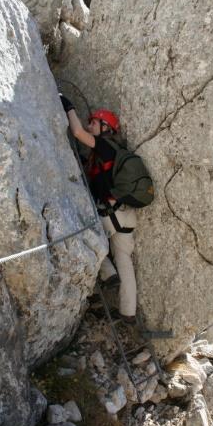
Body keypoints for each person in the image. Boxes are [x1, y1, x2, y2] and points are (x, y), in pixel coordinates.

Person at [60, 94, 137, 324]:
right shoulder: (111, 152)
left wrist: (69, 107)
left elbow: (77, 133)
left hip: (110, 216)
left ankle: (106, 271)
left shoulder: (105, 146)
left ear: (105, 128)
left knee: (80, 229)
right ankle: (128, 312)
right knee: (124, 259)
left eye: (94, 122)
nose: (89, 124)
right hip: (125, 217)